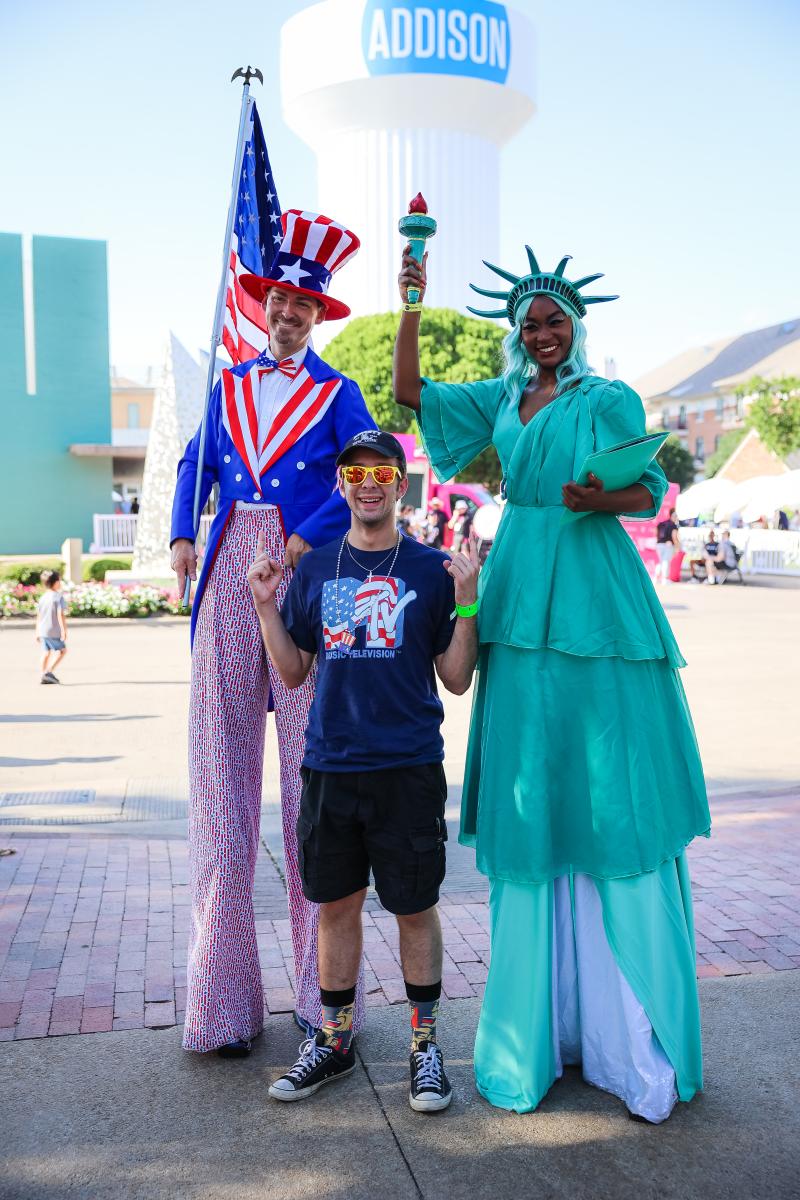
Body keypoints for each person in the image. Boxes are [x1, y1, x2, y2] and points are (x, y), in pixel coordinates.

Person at [393, 242, 710, 1122]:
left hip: (598, 593)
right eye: (527, 321)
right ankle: (535, 1036)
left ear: (575, 328)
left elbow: (646, 491)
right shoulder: (499, 398)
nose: (540, 333)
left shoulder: (608, 397)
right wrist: (411, 303)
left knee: (607, 781)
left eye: (553, 320)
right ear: (515, 331)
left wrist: (595, 501)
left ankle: (628, 1036)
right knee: (535, 791)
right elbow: (413, 397)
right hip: (521, 586)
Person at [170, 210, 377, 1057]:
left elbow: (376, 462)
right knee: (220, 799)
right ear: (261, 306)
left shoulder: (337, 393)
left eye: (304, 304)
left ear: (319, 315)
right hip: (227, 575)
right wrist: (185, 531)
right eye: (278, 300)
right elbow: (196, 465)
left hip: (304, 580)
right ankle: (220, 1009)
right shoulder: (225, 389)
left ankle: (324, 1001)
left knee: (309, 793)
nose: (289, 314)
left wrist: (305, 533)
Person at [246, 430, 479, 1111]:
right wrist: (266, 606)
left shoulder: (433, 569)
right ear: (342, 485)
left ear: (399, 482)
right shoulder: (317, 569)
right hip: (331, 767)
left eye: (381, 470)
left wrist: (467, 605)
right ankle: (337, 1040)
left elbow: (457, 680)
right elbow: (292, 674)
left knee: (414, 908)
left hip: (407, 768)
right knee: (336, 905)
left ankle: (425, 1046)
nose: (368, 481)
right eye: (355, 472)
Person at [36, 570, 67, 684]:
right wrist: (63, 630)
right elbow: (60, 614)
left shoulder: (43, 597)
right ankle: (48, 672)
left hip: (43, 630)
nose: (60, 582)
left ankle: (42, 673)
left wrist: (37, 631)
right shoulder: (58, 597)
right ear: (54, 582)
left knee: (46, 652)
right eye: (59, 580)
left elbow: (39, 616)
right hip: (53, 631)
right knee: (62, 650)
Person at [655, 507, 680, 583]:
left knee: (661, 561)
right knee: (665, 561)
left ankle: (656, 578)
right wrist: (677, 546)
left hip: (659, 544)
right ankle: (664, 579)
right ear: (674, 516)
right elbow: (674, 536)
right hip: (667, 545)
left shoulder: (662, 523)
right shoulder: (673, 525)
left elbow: (656, 532)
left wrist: (659, 540)